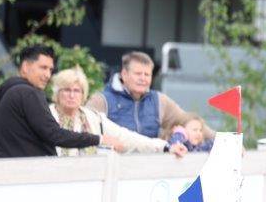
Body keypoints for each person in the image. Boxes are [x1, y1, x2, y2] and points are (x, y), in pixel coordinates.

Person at [0, 44, 120, 158]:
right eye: (43, 68)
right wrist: (98, 139)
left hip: (6, 170)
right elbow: (55, 135)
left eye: (50, 70)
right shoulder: (28, 93)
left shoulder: (6, 92)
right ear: (25, 67)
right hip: (26, 174)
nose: (48, 75)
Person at [49, 67, 187, 158]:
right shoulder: (46, 115)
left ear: (83, 94)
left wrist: (165, 147)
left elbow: (127, 138)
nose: (72, 95)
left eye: (77, 91)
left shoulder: (93, 118)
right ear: (57, 93)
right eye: (67, 90)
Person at [86, 51, 210, 140]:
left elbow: (187, 120)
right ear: (124, 74)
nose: (143, 78)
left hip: (150, 164)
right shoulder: (101, 100)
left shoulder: (159, 101)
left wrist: (219, 140)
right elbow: (84, 128)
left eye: (147, 74)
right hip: (113, 165)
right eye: (138, 73)